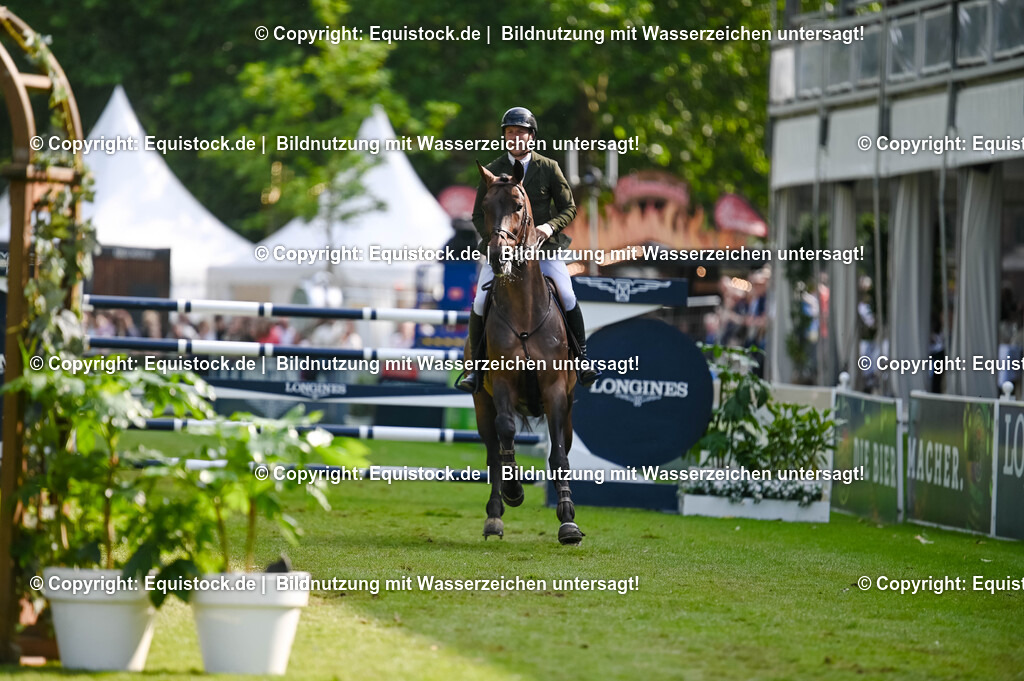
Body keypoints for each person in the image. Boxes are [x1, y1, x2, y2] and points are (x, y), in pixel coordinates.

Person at [456, 106, 598, 392]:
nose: (514, 137)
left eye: (520, 132)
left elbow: (569, 208)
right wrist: (496, 243)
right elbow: (477, 216)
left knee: (567, 294)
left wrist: (549, 227)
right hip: (503, 251)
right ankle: (475, 369)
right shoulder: (493, 170)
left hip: (543, 250)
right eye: (510, 132)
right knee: (480, 303)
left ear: (531, 136)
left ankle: (582, 358)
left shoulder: (548, 167)